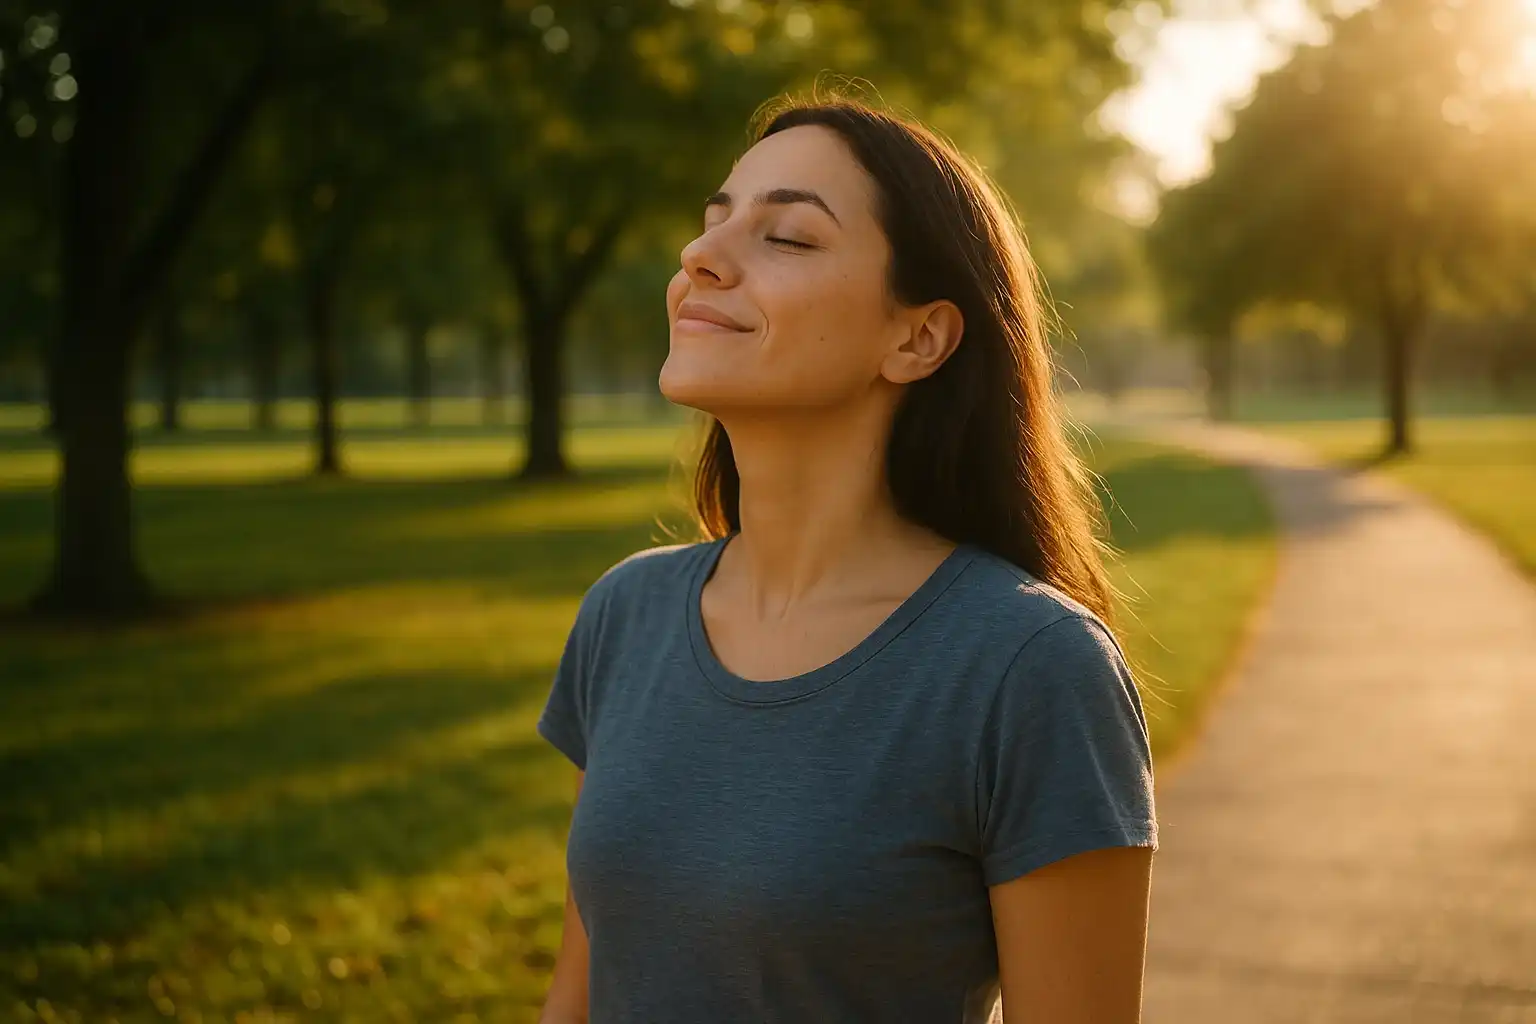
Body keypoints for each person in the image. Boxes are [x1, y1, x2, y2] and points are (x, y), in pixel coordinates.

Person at [535, 96, 1159, 1024]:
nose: (699, 257)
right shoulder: (624, 616)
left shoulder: (1030, 667)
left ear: (918, 338)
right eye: (714, 222)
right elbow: (577, 994)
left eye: (785, 236)